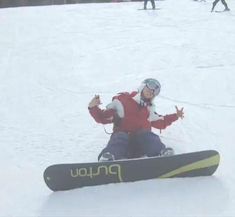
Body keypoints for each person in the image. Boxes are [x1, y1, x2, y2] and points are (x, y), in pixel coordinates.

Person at [88, 78, 184, 161]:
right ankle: (108, 158)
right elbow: (103, 118)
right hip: (122, 147)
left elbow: (162, 122)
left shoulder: (149, 110)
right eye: (149, 87)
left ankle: (162, 154)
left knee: (147, 135)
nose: (152, 91)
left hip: (140, 147)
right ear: (142, 87)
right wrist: (93, 107)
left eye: (155, 91)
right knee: (120, 136)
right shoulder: (122, 101)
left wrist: (176, 116)